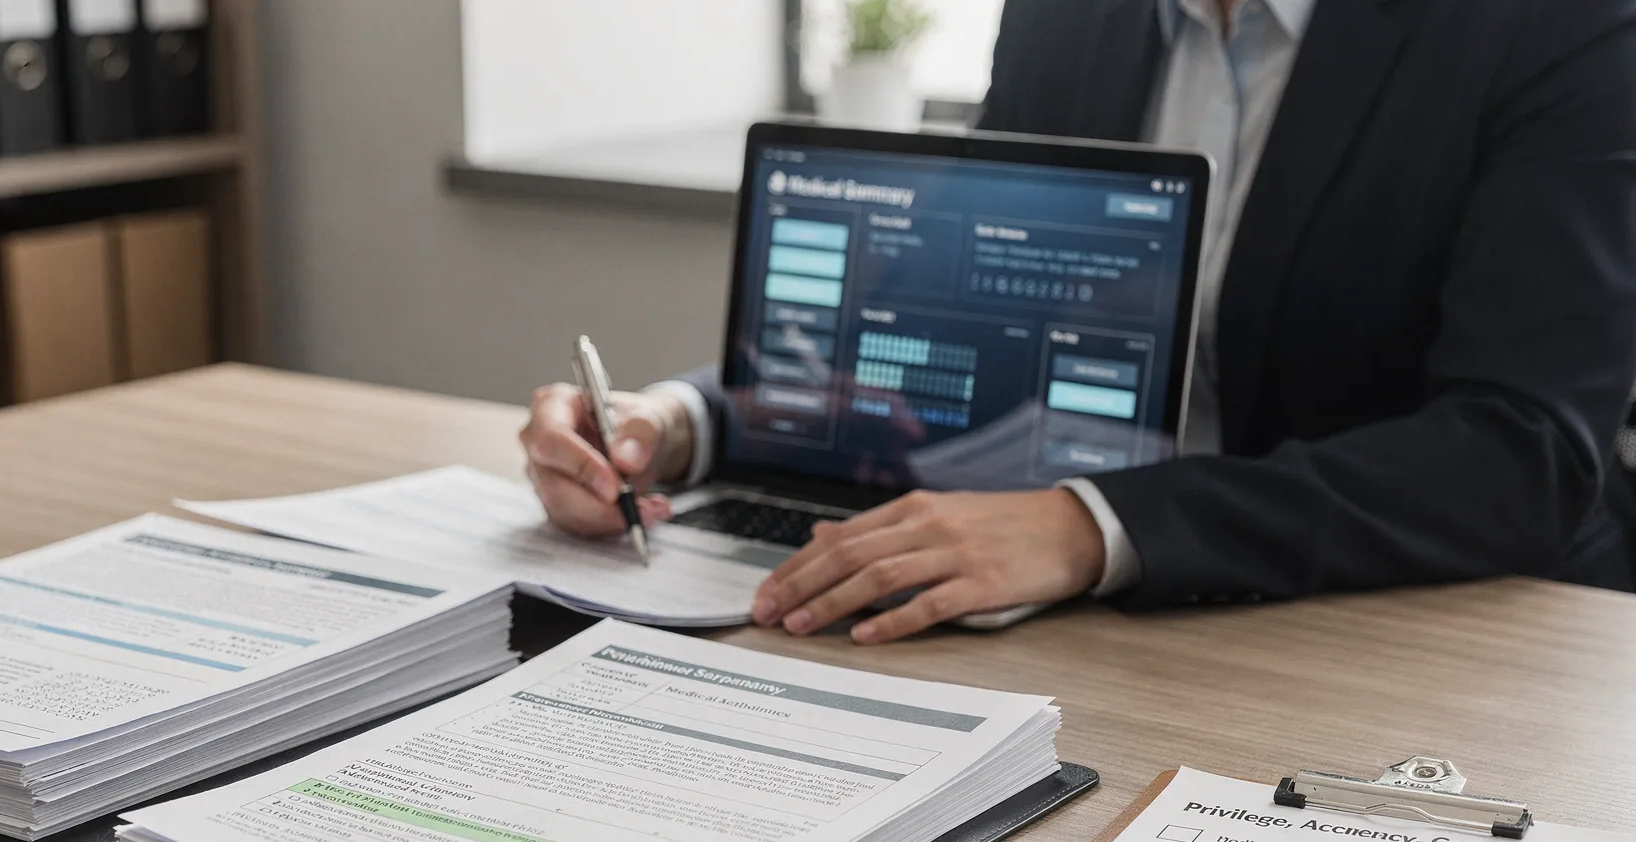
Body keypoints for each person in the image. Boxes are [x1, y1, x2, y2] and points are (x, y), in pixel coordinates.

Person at [519, 0, 1636, 643]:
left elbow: (1523, 452)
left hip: (1421, 632)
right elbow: (944, 325)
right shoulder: (1068, 12)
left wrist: (1091, 526)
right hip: (1069, 630)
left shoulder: (1559, 25)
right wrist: (682, 424)